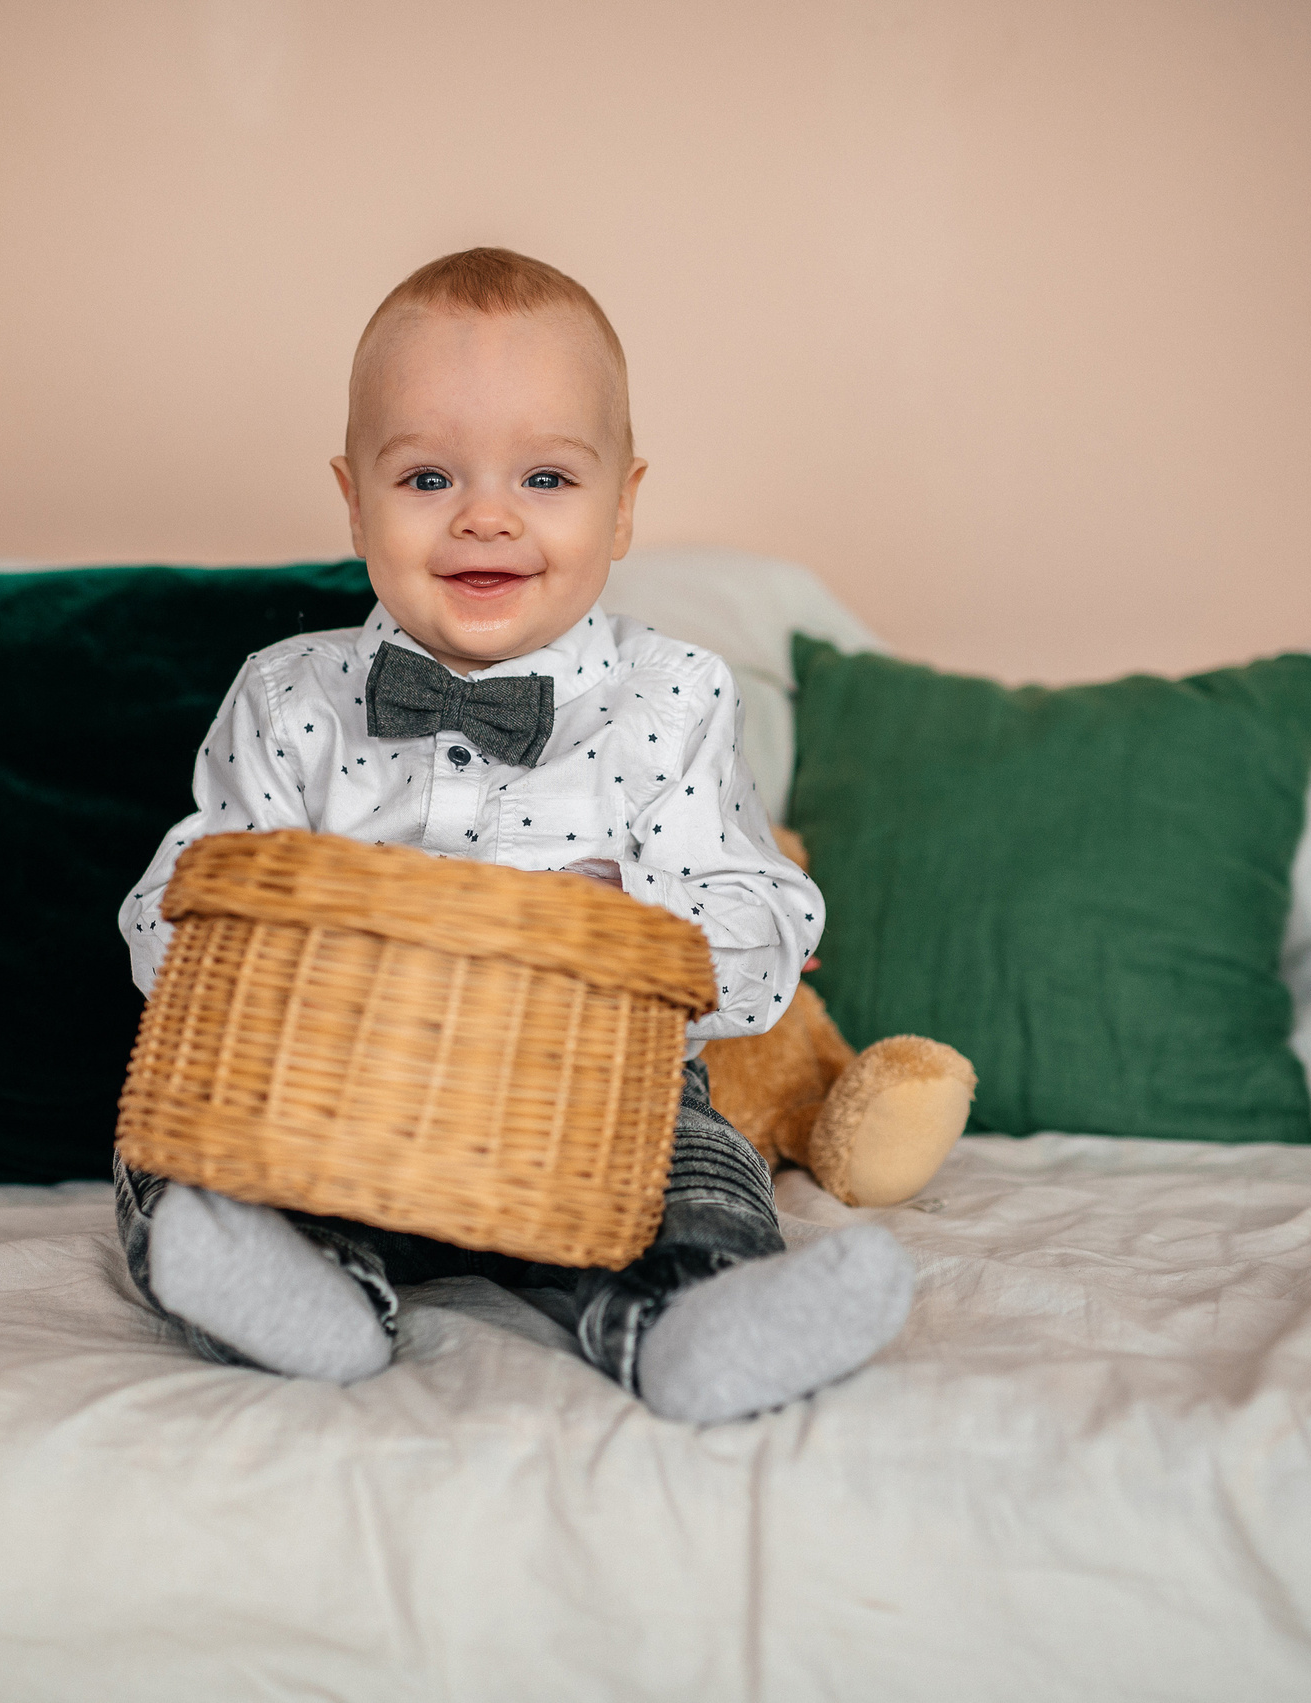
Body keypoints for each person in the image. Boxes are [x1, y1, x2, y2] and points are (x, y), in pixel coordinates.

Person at [115, 248, 913, 1424]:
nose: (486, 515)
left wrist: (643, 929)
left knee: (695, 1172)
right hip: (327, 1094)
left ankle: (689, 1317)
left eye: (545, 476)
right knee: (172, 1152)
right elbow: (168, 911)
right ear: (352, 497)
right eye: (428, 476)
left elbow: (767, 915)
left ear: (625, 502)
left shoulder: (675, 695)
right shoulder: (288, 695)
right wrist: (279, 924)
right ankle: (306, 1297)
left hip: (596, 1107)